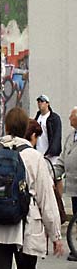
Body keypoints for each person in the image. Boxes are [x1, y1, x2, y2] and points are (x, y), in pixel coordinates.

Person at [0, 107, 64, 269]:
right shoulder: (35, 157)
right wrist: (55, 234)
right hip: (26, 227)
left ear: (6, 127)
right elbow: (46, 200)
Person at [54, 107, 77, 261]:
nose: (69, 118)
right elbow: (61, 160)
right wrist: (51, 174)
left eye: (71, 115)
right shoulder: (70, 137)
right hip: (73, 187)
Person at [35, 94, 62, 162]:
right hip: (38, 153)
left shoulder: (54, 118)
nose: (40, 103)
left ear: (48, 103)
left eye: (42, 101)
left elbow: (57, 135)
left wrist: (52, 151)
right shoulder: (37, 118)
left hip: (50, 155)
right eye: (38, 102)